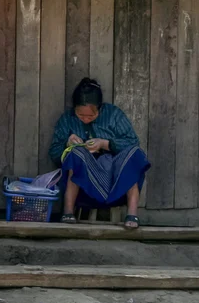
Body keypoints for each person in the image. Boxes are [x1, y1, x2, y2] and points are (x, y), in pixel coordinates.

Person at [48, 78, 151, 228]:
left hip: (115, 177)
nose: (85, 119)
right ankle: (68, 212)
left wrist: (105, 144)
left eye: (91, 116)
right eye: (80, 115)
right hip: (85, 183)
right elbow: (54, 153)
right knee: (76, 155)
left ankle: (132, 215)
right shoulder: (67, 120)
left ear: (100, 109)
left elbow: (132, 142)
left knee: (133, 155)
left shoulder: (114, 115)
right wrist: (67, 144)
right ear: (74, 108)